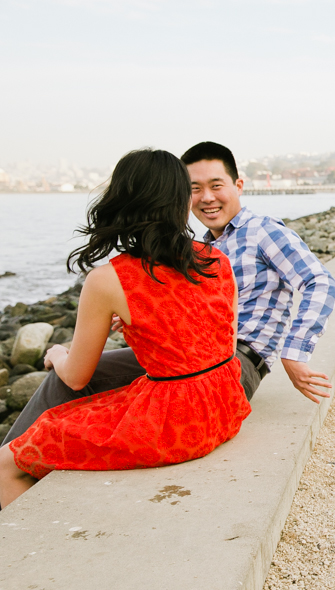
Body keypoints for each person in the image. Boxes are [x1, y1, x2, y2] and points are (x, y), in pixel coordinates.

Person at [1, 142, 335, 451]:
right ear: (179, 197)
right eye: (194, 189)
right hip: (198, 360)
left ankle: (11, 460)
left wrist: (294, 353)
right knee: (78, 384)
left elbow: (319, 281)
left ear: (239, 185)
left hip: (233, 363)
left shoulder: (261, 231)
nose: (206, 197)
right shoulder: (204, 251)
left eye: (216, 185)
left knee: (68, 381)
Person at [0, 149, 251, 508]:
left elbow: (76, 377)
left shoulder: (108, 280)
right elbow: (216, 337)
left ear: (122, 200)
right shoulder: (215, 258)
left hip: (173, 424)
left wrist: (57, 353)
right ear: (181, 202)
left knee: (6, 464)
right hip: (225, 404)